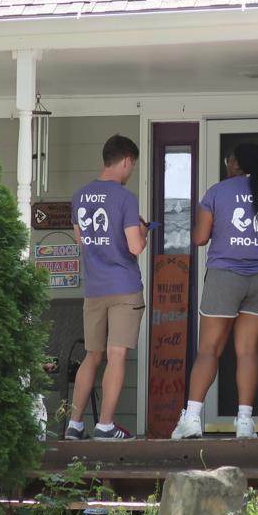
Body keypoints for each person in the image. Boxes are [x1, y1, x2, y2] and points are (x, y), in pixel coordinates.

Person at [171, 142, 258, 439]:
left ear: (235, 164)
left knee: (209, 350)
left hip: (225, 276)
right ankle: (244, 422)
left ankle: (191, 419)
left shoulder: (218, 192)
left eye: (229, 160)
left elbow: (200, 238)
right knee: (249, 351)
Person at [65, 134, 149, 441]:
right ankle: (105, 425)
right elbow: (135, 247)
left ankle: (74, 424)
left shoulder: (79, 196)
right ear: (126, 161)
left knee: (92, 355)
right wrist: (143, 230)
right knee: (116, 355)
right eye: (133, 165)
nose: (131, 172)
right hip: (124, 287)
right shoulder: (125, 198)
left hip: (95, 288)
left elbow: (81, 239)